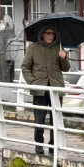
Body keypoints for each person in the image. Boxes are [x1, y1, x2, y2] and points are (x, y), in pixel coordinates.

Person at [20, 26, 70, 155]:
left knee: (56, 121)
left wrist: (64, 58)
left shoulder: (59, 47)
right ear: (42, 34)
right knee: (39, 120)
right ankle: (39, 145)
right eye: (48, 33)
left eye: (53, 33)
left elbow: (66, 69)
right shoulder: (32, 48)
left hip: (56, 88)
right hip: (39, 90)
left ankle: (53, 145)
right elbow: (25, 67)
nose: (51, 36)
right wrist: (32, 82)